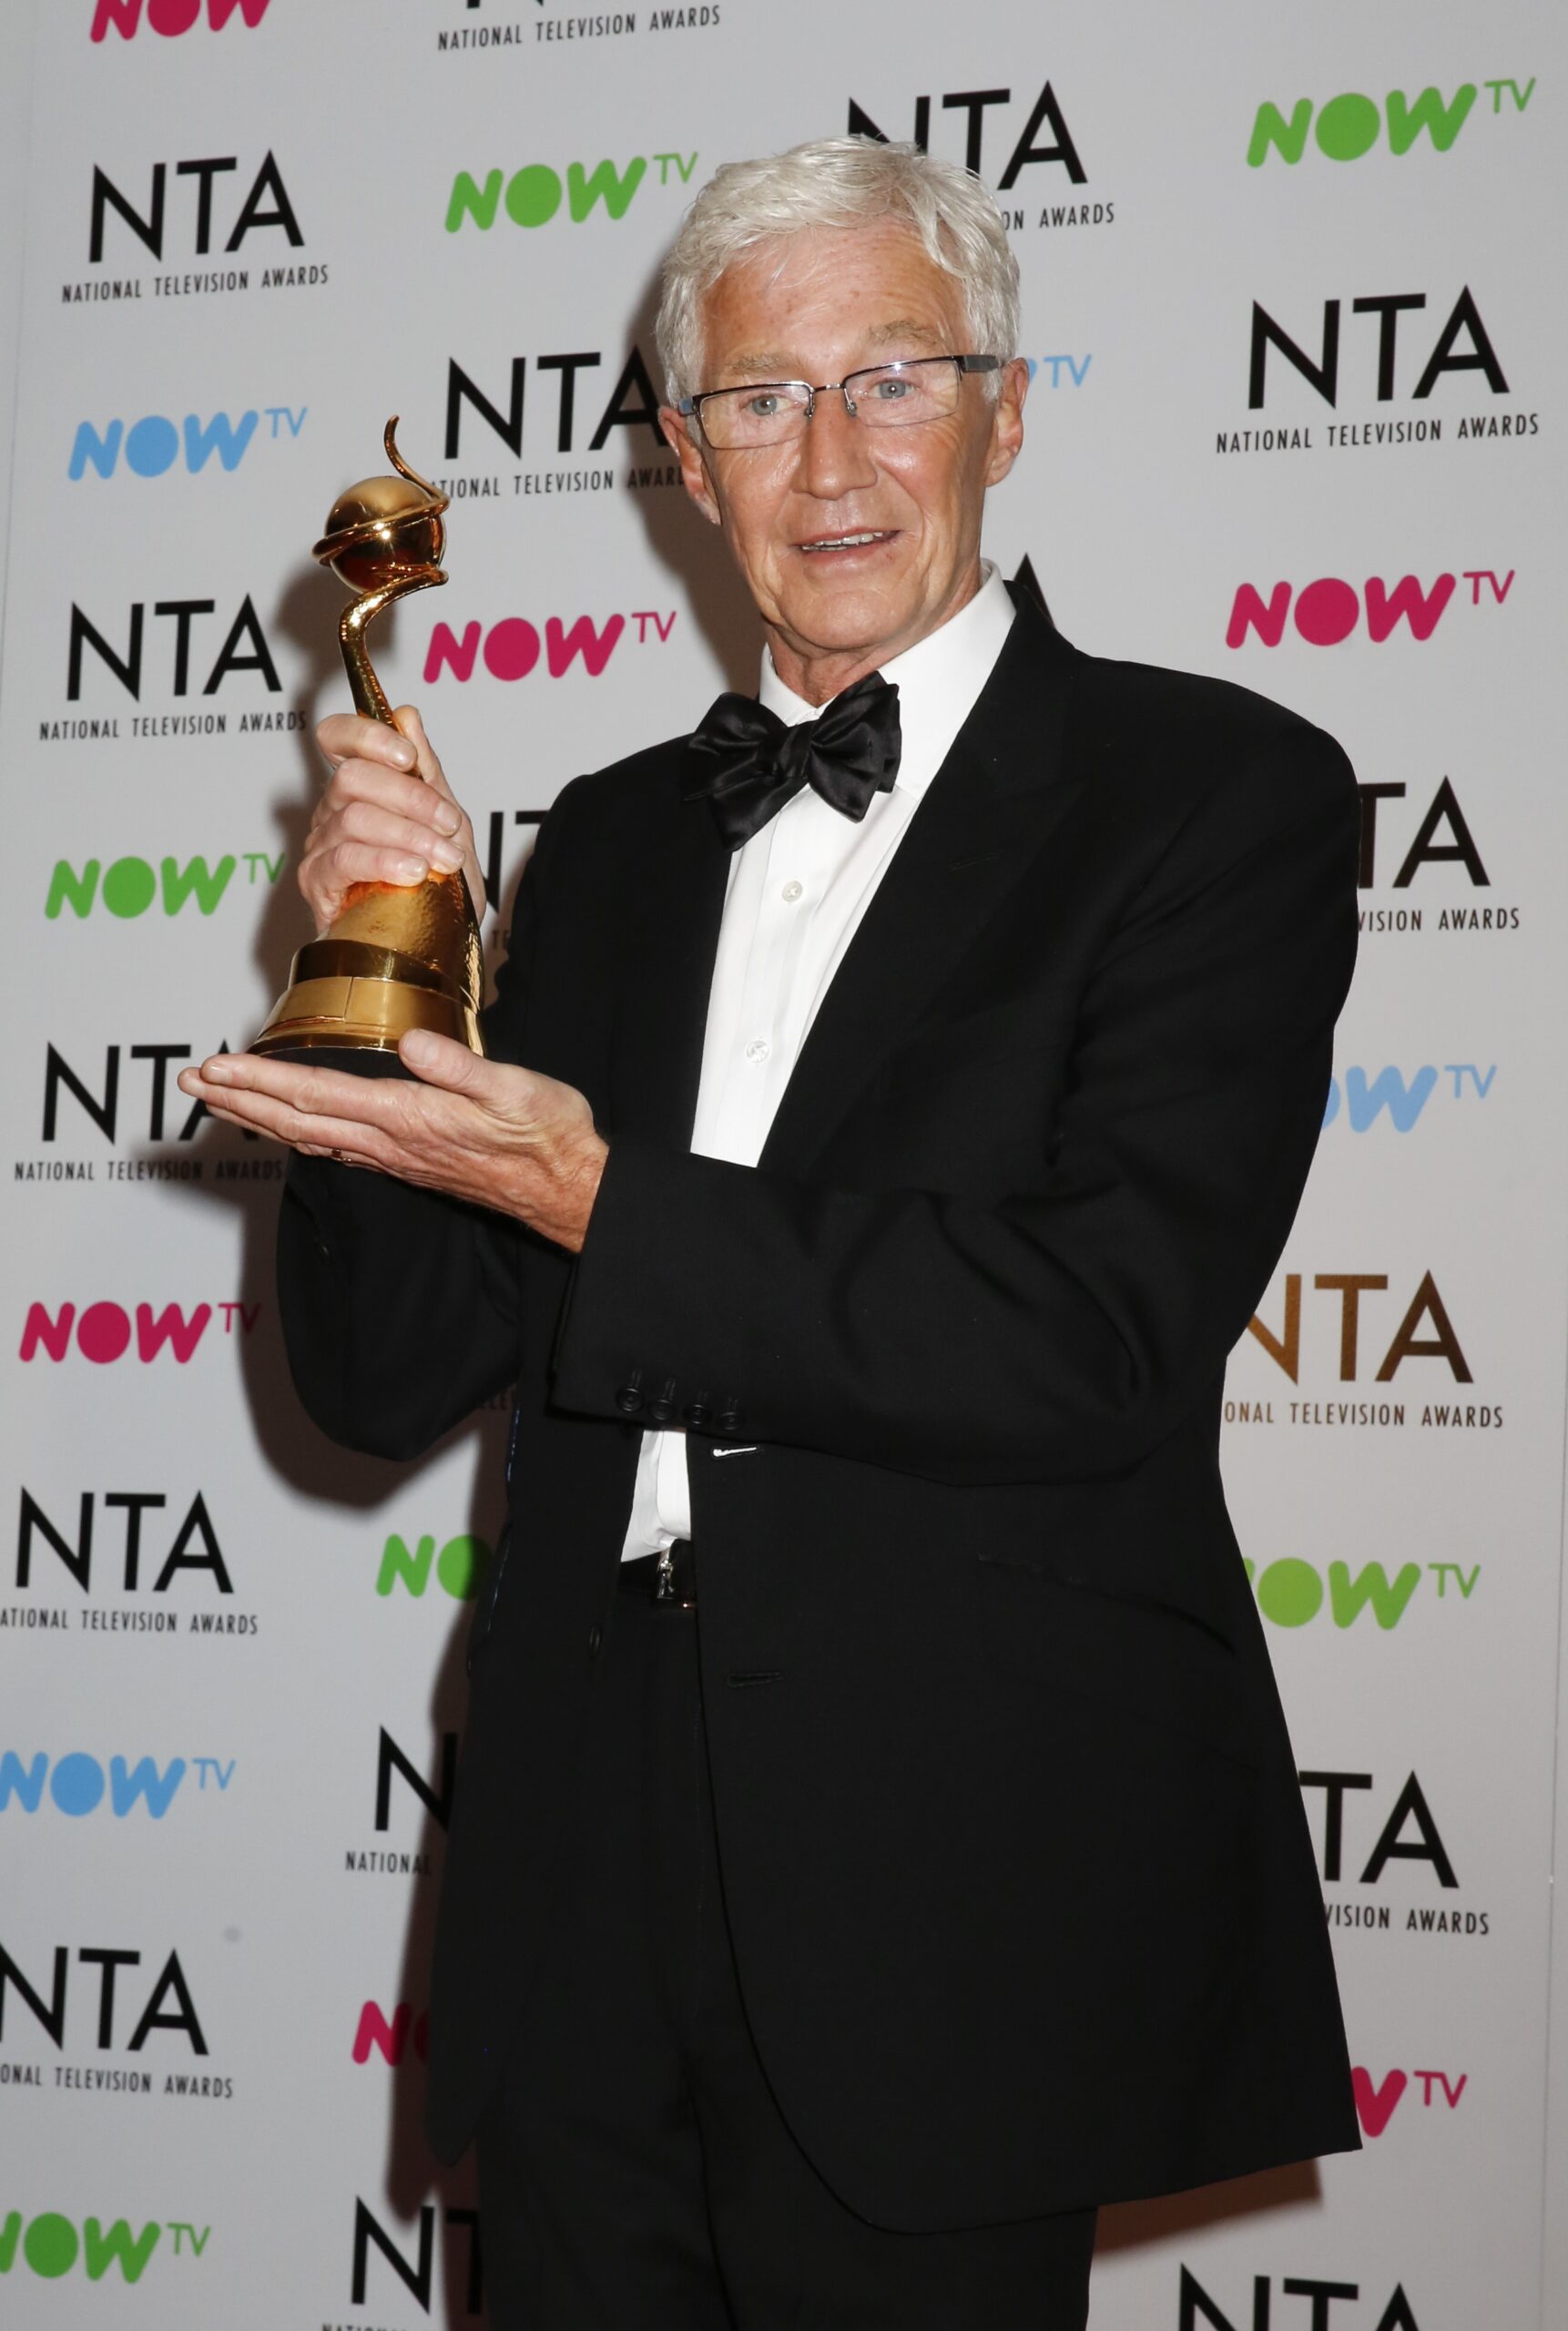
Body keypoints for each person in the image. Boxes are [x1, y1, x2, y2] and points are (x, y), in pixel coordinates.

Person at [180, 137, 1360, 2329]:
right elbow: (381, 1372)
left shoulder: (1216, 791)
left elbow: (1097, 1330)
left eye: (892, 378)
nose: (828, 459)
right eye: (758, 398)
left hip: (949, 1843)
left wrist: (602, 1200)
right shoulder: (616, 841)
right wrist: (376, 969)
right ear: (686, 458)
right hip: (577, 1834)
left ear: (1005, 411)